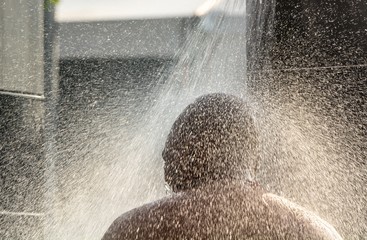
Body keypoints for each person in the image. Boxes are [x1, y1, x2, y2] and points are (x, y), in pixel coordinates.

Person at [102, 93, 342, 239]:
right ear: (254, 158)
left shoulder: (135, 229)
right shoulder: (314, 231)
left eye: (171, 146)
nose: (164, 156)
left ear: (188, 151)